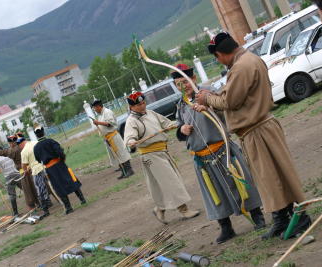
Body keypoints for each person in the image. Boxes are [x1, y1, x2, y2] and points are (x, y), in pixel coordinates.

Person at [194, 32, 311, 240]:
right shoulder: (248, 60)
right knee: (269, 178)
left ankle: (298, 218)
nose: (218, 61)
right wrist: (209, 101)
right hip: (257, 129)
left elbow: (230, 102)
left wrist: (207, 99)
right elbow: (233, 97)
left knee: (275, 176)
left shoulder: (241, 67)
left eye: (217, 57)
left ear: (221, 53)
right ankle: (281, 218)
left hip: (258, 130)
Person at [172, 64, 265, 243]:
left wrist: (208, 108)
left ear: (194, 79)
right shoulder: (181, 105)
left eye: (186, 81)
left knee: (241, 182)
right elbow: (179, 127)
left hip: (223, 149)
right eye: (178, 84)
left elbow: (227, 109)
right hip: (201, 157)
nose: (184, 86)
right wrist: (181, 129)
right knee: (214, 192)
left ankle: (257, 216)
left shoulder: (208, 92)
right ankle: (226, 227)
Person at [123, 91, 200, 224]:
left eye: (143, 103)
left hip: (163, 151)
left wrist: (178, 125)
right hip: (150, 155)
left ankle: (159, 209)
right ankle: (184, 210)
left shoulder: (151, 113)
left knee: (165, 183)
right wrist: (131, 143)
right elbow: (130, 138)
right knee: (171, 181)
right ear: (131, 107)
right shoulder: (131, 121)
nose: (142, 106)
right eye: (139, 105)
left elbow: (166, 123)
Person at [33, 125, 86, 215]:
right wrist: (62, 159)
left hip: (50, 169)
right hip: (60, 164)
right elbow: (60, 151)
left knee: (58, 187)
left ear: (36, 135)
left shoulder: (36, 147)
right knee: (71, 180)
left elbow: (38, 160)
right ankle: (82, 199)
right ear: (43, 132)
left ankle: (69, 207)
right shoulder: (51, 141)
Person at [0, 135, 39, 210]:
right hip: (27, 171)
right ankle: (39, 202)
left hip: (21, 173)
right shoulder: (21, 147)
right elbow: (4, 152)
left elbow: (3, 153)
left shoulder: (13, 151)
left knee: (26, 190)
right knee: (33, 187)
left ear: (11, 143)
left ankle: (28, 208)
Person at [91, 99, 134, 179]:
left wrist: (98, 123)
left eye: (95, 108)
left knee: (121, 153)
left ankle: (129, 170)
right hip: (108, 138)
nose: (94, 110)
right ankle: (123, 171)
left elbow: (110, 124)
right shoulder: (100, 115)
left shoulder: (107, 112)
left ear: (98, 106)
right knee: (116, 155)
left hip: (113, 136)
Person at [17, 132, 52, 218]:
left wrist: (25, 171)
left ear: (21, 143)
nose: (19, 147)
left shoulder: (24, 151)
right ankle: (48, 201)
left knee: (40, 189)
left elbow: (23, 165)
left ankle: (45, 209)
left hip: (37, 171)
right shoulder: (35, 142)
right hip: (45, 166)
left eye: (19, 146)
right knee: (49, 184)